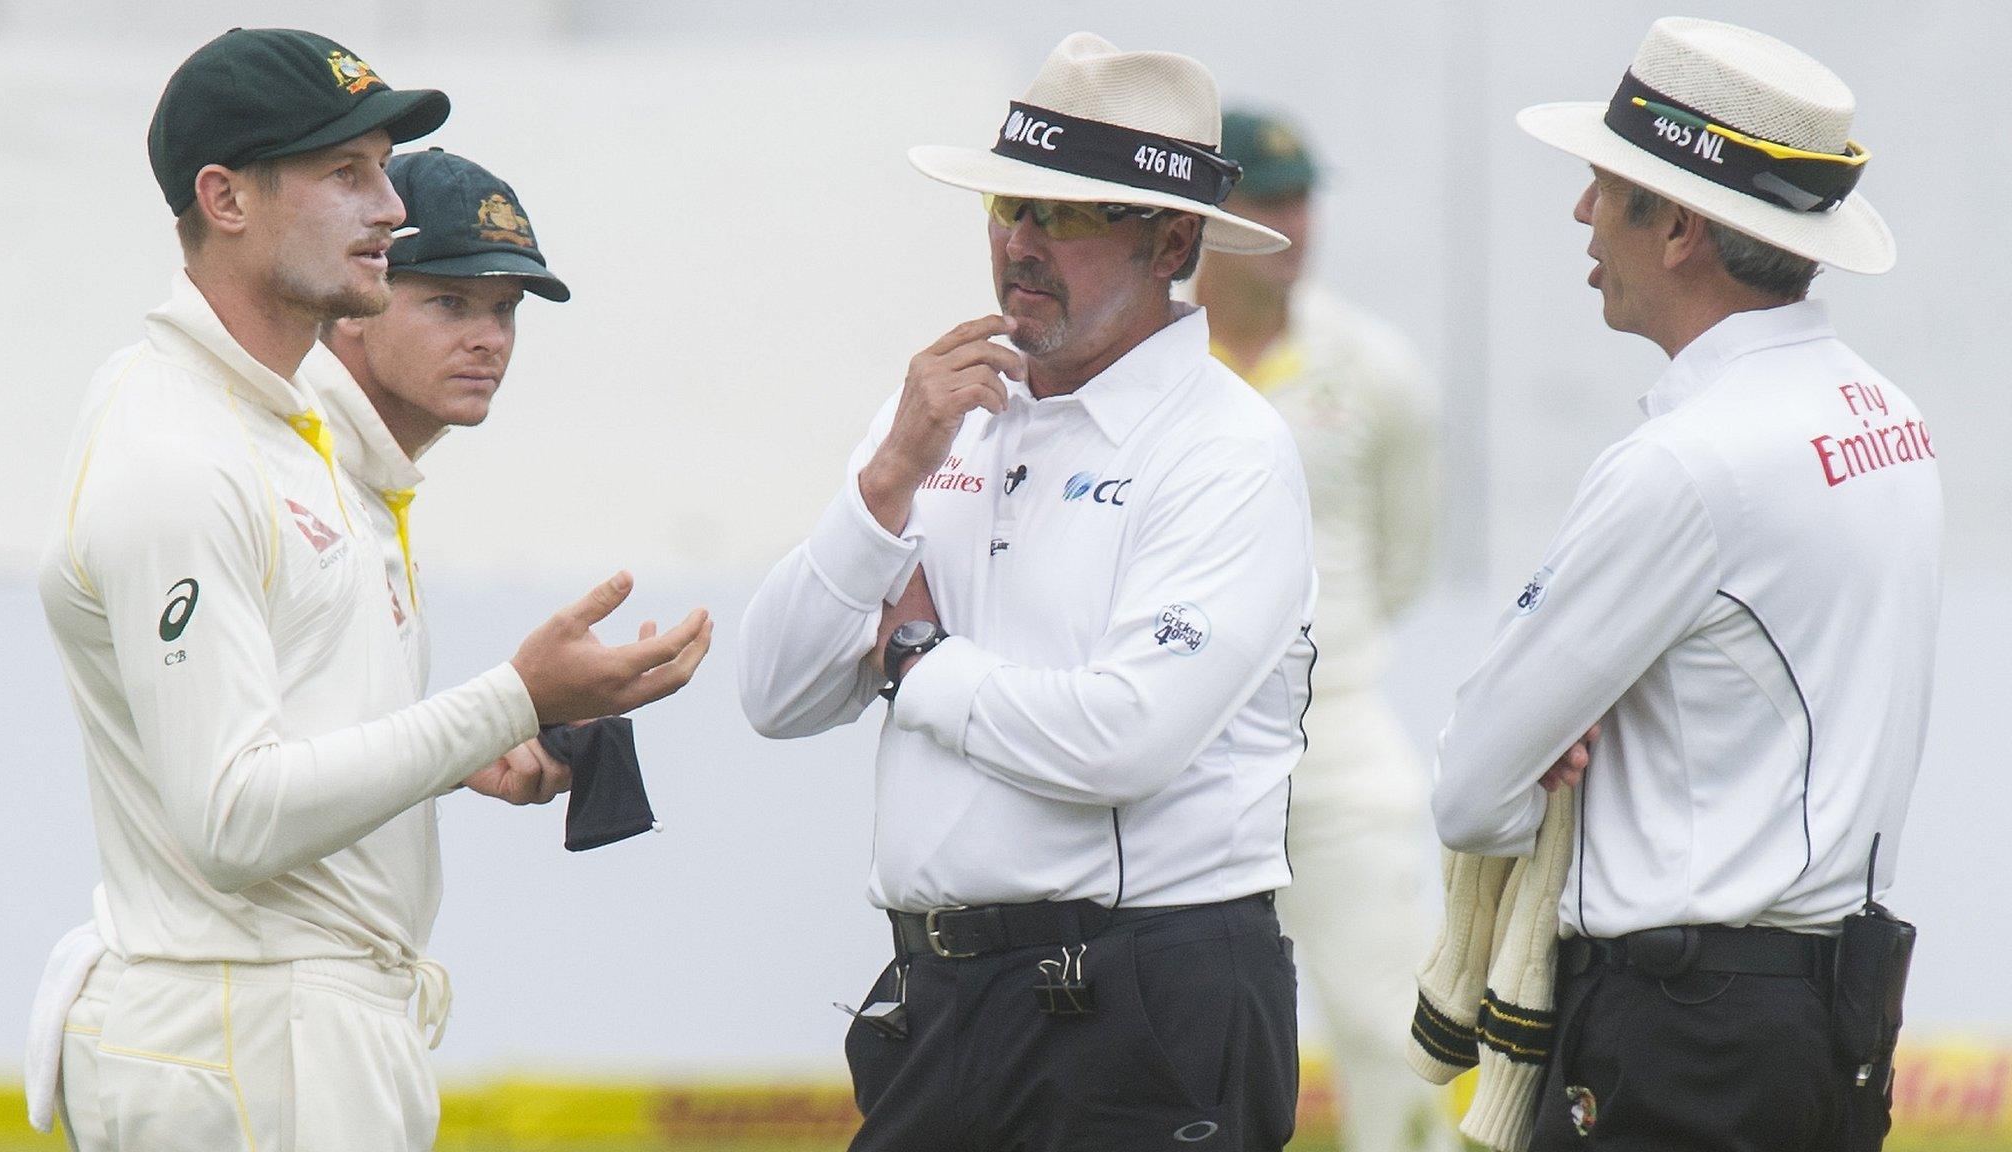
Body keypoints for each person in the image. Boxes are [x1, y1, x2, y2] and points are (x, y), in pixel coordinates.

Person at [31, 29, 710, 1151]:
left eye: (384, 169)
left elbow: (270, 743)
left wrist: (458, 746)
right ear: (225, 197)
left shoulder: (272, 425)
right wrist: (507, 699)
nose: (390, 207)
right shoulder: (179, 446)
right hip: (248, 1034)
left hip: (293, 1028)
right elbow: (233, 820)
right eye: (346, 173)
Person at [738, 32, 1315, 1150]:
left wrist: (915, 665)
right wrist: (890, 473)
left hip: (1146, 1003)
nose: (1022, 241)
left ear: (1172, 239)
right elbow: (774, 692)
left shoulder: (1226, 450)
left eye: (1070, 213)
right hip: (940, 1000)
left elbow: (1122, 739)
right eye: (1008, 205)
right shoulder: (935, 414)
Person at [1430, 17, 1938, 1150]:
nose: (1579, 215)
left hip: (1680, 1028)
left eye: (1605, 186)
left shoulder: (1688, 462)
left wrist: (1543, 763)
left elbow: (1470, 789)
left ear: (1679, 230)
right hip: (1815, 1010)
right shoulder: (1885, 417)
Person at [1195, 109, 1453, 1152]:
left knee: (1391, 1020)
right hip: (1176, 742)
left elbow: (1402, 563)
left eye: (1302, 197)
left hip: (1334, 729)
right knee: (1178, 1029)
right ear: (1201, 220)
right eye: (1264, 199)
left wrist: (1313, 669)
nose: (1293, 222)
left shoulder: (1375, 369)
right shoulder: (1145, 363)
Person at [314, 145, 574, 787]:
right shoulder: (293, 477)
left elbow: (312, 738)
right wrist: (509, 702)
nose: (490, 338)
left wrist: (457, 756)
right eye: (451, 303)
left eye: (505, 307)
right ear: (352, 305)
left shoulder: (364, 478)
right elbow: (239, 795)